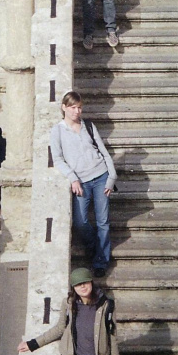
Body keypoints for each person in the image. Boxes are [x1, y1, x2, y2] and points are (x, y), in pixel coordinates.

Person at [50, 91, 117, 277]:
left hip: (101, 176)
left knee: (103, 221)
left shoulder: (88, 125)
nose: (76, 111)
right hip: (81, 181)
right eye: (72, 107)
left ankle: (101, 262)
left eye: (79, 107)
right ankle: (95, 246)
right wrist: (72, 177)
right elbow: (58, 159)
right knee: (80, 222)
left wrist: (112, 177)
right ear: (64, 107)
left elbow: (103, 152)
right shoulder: (57, 130)